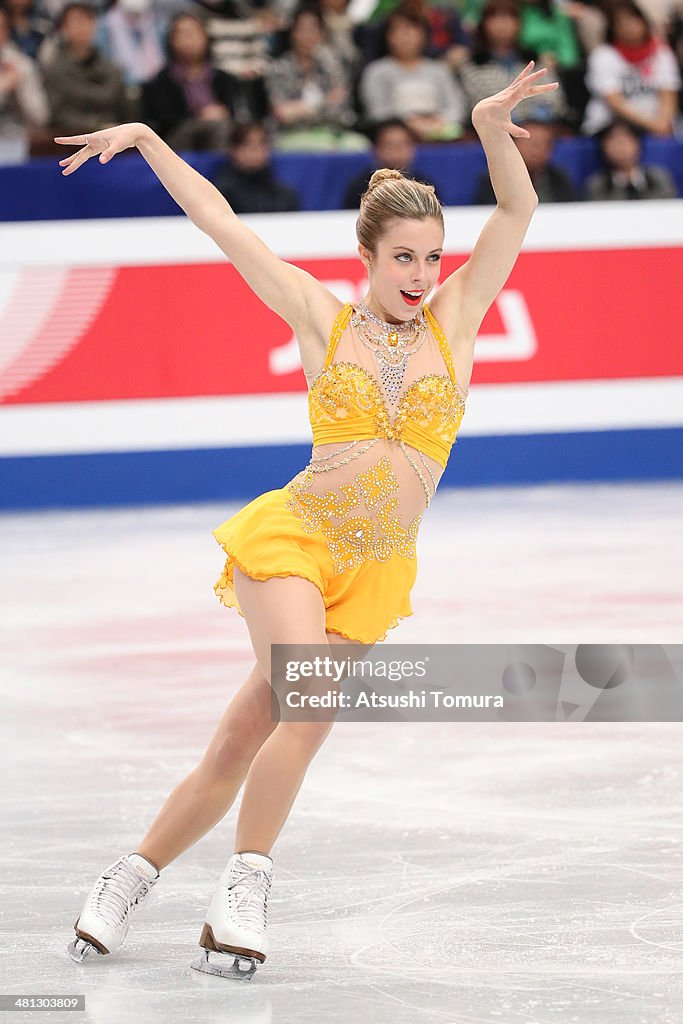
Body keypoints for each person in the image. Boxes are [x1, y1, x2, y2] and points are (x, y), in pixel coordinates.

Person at [55, 58, 557, 979]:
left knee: (243, 740)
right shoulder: (319, 317)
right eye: (400, 256)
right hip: (295, 543)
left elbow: (517, 212)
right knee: (309, 699)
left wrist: (490, 127)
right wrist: (149, 140)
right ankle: (243, 888)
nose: (418, 273)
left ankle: (128, 878)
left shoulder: (459, 316)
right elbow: (219, 221)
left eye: (430, 257)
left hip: (375, 568)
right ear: (365, 257)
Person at [359, 5, 466, 141]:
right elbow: (377, 112)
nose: (405, 36)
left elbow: (456, 106)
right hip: (396, 136)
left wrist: (439, 122)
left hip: (441, 132)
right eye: (398, 30)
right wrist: (408, 123)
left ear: (423, 34)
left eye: (411, 29)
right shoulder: (376, 71)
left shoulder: (439, 70)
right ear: (387, 36)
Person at [581, 0, 681, 136]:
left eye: (633, 21)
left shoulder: (661, 52)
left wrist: (663, 123)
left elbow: (669, 92)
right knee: (623, 139)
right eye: (621, 24)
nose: (629, 27)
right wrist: (653, 126)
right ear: (612, 28)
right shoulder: (603, 55)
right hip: (614, 124)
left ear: (644, 22)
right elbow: (614, 101)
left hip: (658, 124)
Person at [140, 12, 236, 151]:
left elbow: (232, 111)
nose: (188, 39)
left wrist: (221, 113)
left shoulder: (223, 78)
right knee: (218, 126)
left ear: (206, 36)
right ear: (171, 39)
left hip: (221, 130)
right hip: (178, 138)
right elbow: (163, 121)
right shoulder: (160, 81)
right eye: (182, 34)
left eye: (193, 33)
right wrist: (201, 116)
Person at [475, 112, 577, 202]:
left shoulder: (558, 177)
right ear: (514, 144)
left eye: (544, 144)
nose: (536, 150)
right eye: (531, 144)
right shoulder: (494, 178)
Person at [341, 116, 430, 209]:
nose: (397, 151)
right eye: (389, 145)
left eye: (402, 144)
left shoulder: (423, 186)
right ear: (376, 148)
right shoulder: (359, 188)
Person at [215, 120, 301, 212]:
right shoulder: (222, 193)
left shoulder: (284, 194)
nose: (257, 150)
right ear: (234, 149)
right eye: (248, 144)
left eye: (262, 143)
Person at [584, 117, 678, 199]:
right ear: (604, 149)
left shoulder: (658, 178)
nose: (620, 147)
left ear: (638, 145)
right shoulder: (597, 185)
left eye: (625, 141)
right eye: (613, 141)